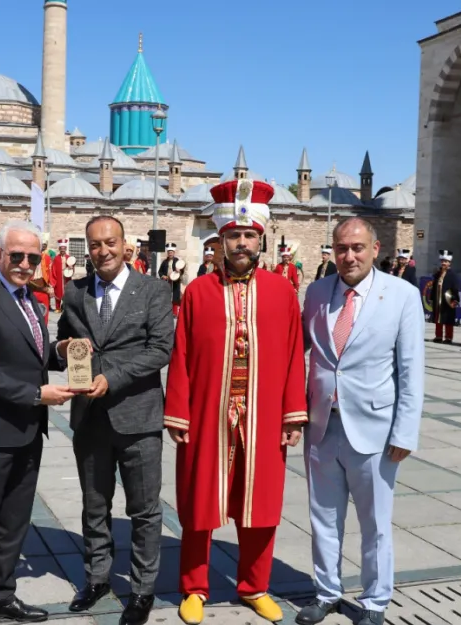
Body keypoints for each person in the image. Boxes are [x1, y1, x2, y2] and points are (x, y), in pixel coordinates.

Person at [164, 180, 307, 625]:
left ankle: (254, 586)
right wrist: (179, 411)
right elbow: (181, 355)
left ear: (260, 239)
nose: (241, 243)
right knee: (198, 502)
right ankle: (194, 587)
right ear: (220, 240)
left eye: (249, 236)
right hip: (209, 413)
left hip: (263, 416)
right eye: (233, 236)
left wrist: (293, 414)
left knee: (260, 504)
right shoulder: (198, 292)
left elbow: (292, 355)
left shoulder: (282, 292)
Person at [298, 217, 424, 625]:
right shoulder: (317, 292)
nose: (348, 256)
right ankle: (327, 592)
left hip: (375, 430)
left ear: (375, 248)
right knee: (323, 518)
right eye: (341, 248)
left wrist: (405, 431)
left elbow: (410, 370)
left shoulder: (402, 295)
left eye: (357, 248)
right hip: (322, 425)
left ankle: (374, 600)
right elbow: (301, 351)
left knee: (374, 523)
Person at [50, 216, 174, 625]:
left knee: (144, 510)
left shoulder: (153, 289)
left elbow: (160, 350)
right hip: (89, 418)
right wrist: (65, 347)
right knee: (94, 505)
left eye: (110, 242)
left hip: (138, 417)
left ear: (126, 246)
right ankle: (98, 578)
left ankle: (141, 590)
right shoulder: (75, 292)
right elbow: (59, 346)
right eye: (95, 245)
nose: (102, 251)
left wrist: (113, 377)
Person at [0, 220, 72, 625]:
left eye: (33, 257)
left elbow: (30, 354)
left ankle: (0, 594)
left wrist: (62, 351)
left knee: (13, 521)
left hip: (26, 429)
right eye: (16, 255)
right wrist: (39, 395)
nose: (24, 263)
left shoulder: (29, 298)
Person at [430, 250, 460, 344]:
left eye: (446, 262)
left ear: (449, 263)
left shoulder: (453, 275)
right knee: (438, 318)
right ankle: (438, 336)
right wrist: (432, 298)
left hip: (448, 300)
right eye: (442, 261)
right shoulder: (437, 274)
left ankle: (448, 337)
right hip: (438, 299)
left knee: (448, 319)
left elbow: (455, 288)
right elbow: (434, 286)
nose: (444, 263)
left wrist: (454, 299)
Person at [158, 244, 186, 318]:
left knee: (175, 297)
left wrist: (179, 271)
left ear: (174, 252)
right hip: (167, 281)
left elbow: (182, 270)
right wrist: (162, 276)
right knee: (167, 296)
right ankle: (166, 312)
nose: (170, 253)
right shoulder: (164, 262)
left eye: (171, 252)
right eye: (169, 252)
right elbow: (160, 271)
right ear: (167, 253)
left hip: (176, 282)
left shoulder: (177, 261)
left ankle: (174, 313)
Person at [51, 238, 73, 311]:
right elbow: (53, 268)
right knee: (58, 291)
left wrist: (71, 268)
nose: (62, 250)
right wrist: (54, 278)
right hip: (59, 277)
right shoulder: (56, 258)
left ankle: (66, 307)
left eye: (64, 248)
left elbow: (72, 267)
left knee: (67, 292)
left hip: (66, 278)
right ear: (59, 249)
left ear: (66, 249)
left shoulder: (69, 257)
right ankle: (58, 308)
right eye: (61, 248)